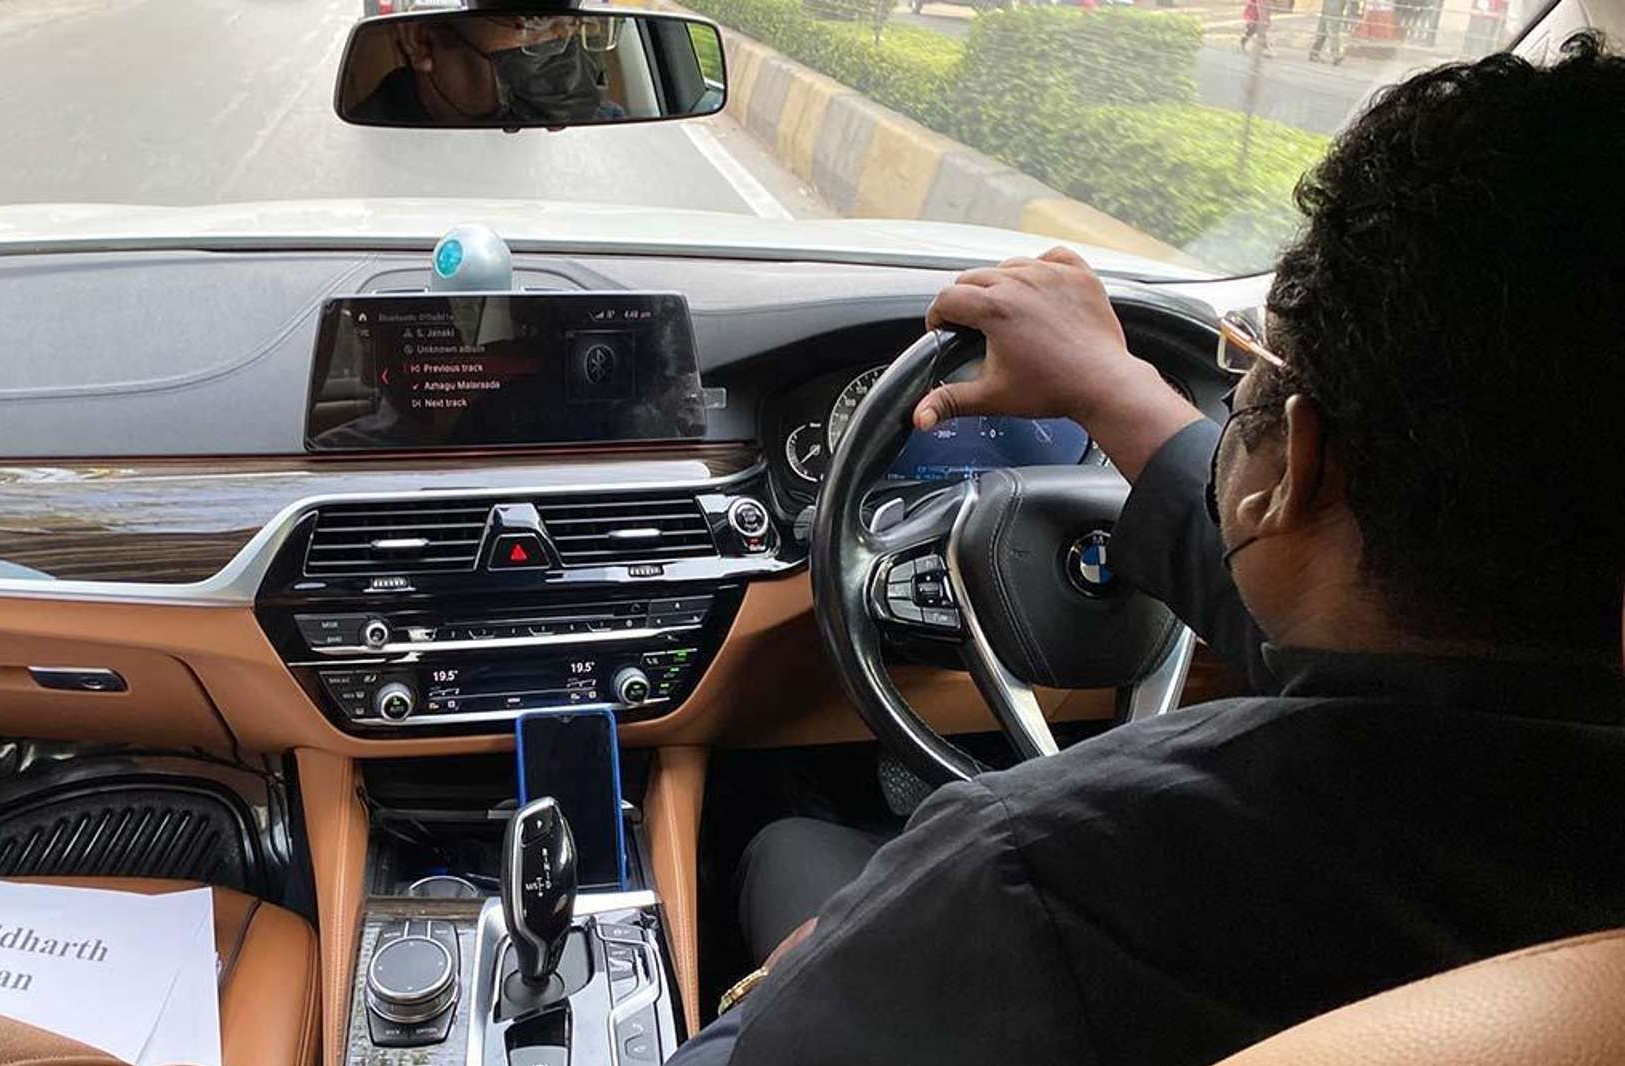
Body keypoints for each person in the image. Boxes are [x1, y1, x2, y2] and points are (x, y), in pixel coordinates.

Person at [671, 32, 1625, 1066]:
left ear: (1295, 464)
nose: (1231, 397)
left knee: (785, 841)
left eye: (1251, 368)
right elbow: (1378, 648)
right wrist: (1113, 389)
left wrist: (802, 969)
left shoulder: (1026, 878)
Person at [347, 16, 625, 127]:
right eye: (535, 21)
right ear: (420, 42)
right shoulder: (359, 151)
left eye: (577, 22)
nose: (567, 41)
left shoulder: (607, 124)